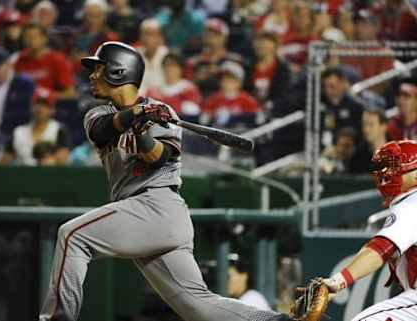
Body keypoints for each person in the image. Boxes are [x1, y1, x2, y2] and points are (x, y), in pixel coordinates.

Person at [39, 41, 296, 321]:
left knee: (72, 236)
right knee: (199, 307)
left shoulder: (163, 113)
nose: (91, 75)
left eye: (98, 69)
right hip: (145, 216)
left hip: (156, 204)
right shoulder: (98, 113)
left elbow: (158, 158)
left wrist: (143, 130)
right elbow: (103, 130)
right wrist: (134, 116)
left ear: (117, 72)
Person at [313, 139, 417, 320]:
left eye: (396, 167)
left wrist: (337, 282)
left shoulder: (412, 202)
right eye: (386, 168)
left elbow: (377, 252)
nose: (387, 174)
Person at [0, 86, 70, 165]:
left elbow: (63, 162)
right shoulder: (19, 132)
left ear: (52, 110)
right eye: (36, 104)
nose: (39, 108)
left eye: (44, 105)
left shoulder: (59, 130)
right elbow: (3, 163)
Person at [15, 23, 76, 100]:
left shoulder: (58, 60)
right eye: (26, 37)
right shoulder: (20, 59)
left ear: (44, 38)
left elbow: (71, 94)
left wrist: (47, 95)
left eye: (34, 37)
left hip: (50, 108)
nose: (30, 40)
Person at [185, 17, 242, 97]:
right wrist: (197, 79)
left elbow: (241, 89)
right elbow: (184, 88)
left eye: (215, 35)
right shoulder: (193, 62)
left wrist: (220, 74)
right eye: (207, 34)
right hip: (200, 103)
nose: (210, 38)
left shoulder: (234, 60)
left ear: (224, 38)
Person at [203, 61, 262, 128]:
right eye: (223, 78)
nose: (226, 82)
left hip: (240, 134)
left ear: (239, 82)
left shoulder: (247, 100)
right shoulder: (213, 99)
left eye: (230, 79)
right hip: (217, 134)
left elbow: (258, 119)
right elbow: (204, 119)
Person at [145, 52, 201, 120]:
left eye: (173, 65)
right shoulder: (153, 90)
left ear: (181, 68)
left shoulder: (189, 89)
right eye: (166, 65)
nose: (168, 69)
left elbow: (193, 112)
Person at [350, 107, 388, 174]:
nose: (366, 129)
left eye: (371, 125)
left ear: (383, 127)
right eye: (364, 124)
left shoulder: (395, 155)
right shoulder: (357, 156)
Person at [136, 19, 169, 94]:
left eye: (152, 34)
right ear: (141, 37)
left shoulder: (167, 56)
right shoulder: (134, 56)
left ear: (160, 38)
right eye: (145, 34)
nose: (148, 39)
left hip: (163, 99)